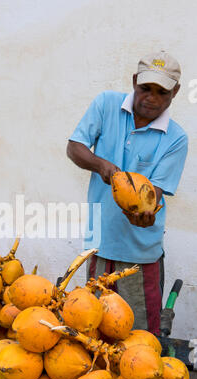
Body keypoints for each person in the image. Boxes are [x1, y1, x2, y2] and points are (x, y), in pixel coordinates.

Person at [67, 51, 188, 336]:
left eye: (162, 92)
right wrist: (101, 165)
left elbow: (153, 193)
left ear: (176, 92)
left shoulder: (176, 138)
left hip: (140, 255)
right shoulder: (106, 104)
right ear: (134, 81)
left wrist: (143, 213)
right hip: (99, 245)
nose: (152, 98)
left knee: (139, 336)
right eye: (146, 88)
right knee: (94, 331)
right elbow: (75, 147)